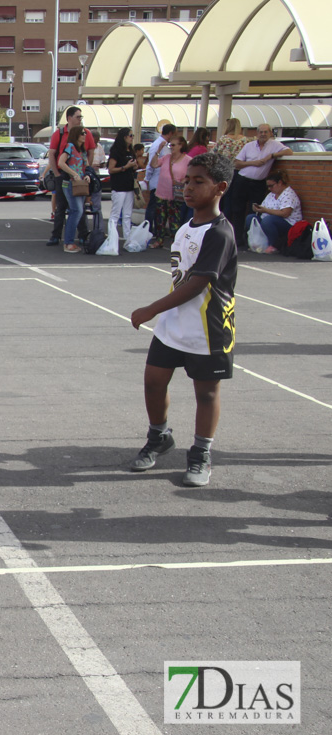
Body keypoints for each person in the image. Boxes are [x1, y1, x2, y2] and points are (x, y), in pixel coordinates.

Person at [130, 151, 236, 487]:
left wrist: (151, 309)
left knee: (205, 393)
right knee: (153, 382)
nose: (188, 187)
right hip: (173, 325)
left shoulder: (220, 233)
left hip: (207, 328)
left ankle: (201, 452)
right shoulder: (188, 225)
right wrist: (163, 314)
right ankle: (159, 436)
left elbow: (198, 284)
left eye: (198, 182)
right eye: (187, 180)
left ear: (220, 187)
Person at [229, 124, 293, 250]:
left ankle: (252, 239)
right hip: (242, 181)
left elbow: (289, 151)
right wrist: (254, 163)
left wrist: (271, 156)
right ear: (257, 133)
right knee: (238, 210)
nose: (263, 134)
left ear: (270, 133)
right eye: (261, 132)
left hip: (258, 184)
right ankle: (237, 239)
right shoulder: (249, 146)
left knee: (255, 211)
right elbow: (236, 163)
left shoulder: (274, 145)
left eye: (265, 132)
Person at [45, 107, 95, 247]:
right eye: (78, 116)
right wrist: (57, 173)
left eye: (81, 116)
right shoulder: (60, 134)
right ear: (69, 118)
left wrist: (87, 172)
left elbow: (89, 153)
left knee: (79, 208)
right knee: (63, 207)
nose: (80, 119)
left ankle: (82, 236)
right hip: (65, 177)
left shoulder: (86, 134)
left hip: (79, 178)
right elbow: (54, 155)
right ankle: (57, 236)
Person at [149, 135, 191, 249]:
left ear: (181, 145)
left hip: (175, 194)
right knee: (160, 219)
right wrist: (158, 151)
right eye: (170, 145)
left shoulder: (188, 160)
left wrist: (183, 180)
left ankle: (175, 242)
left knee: (174, 220)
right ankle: (159, 240)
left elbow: (191, 175)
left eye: (173, 145)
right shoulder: (167, 157)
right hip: (161, 193)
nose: (171, 147)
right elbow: (153, 164)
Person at [246, 170, 303, 252]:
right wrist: (258, 209)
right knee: (251, 218)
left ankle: (273, 245)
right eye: (268, 187)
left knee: (268, 220)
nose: (269, 189)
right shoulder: (271, 194)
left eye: (271, 186)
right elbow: (264, 207)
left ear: (279, 183)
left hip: (288, 223)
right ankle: (256, 242)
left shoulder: (288, 194)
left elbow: (285, 213)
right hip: (270, 219)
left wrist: (266, 210)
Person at [212, 118, 250, 230]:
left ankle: (223, 225)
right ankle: (236, 229)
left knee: (225, 200)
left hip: (225, 171)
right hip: (240, 172)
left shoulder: (224, 139)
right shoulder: (245, 140)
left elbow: (214, 154)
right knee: (237, 202)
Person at [57, 126, 88, 254]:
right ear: (76, 135)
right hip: (70, 183)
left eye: (85, 133)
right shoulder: (70, 146)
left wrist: (86, 175)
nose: (85, 135)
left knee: (78, 211)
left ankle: (70, 241)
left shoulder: (82, 151)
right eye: (82, 133)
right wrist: (74, 173)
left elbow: (85, 167)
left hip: (80, 183)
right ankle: (68, 242)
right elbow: (61, 162)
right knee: (76, 210)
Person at [143, 123, 177, 235]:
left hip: (162, 181)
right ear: (170, 133)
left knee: (159, 208)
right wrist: (147, 179)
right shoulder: (158, 145)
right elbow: (151, 162)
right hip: (156, 181)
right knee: (153, 206)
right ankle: (148, 229)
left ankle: (156, 230)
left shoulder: (165, 145)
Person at [107, 128, 137, 245]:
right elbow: (111, 169)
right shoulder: (116, 151)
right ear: (124, 137)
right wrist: (125, 167)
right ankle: (112, 237)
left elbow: (135, 166)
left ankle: (127, 238)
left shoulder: (131, 151)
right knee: (116, 213)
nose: (132, 137)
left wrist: (134, 166)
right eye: (130, 135)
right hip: (119, 185)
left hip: (129, 184)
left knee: (127, 214)